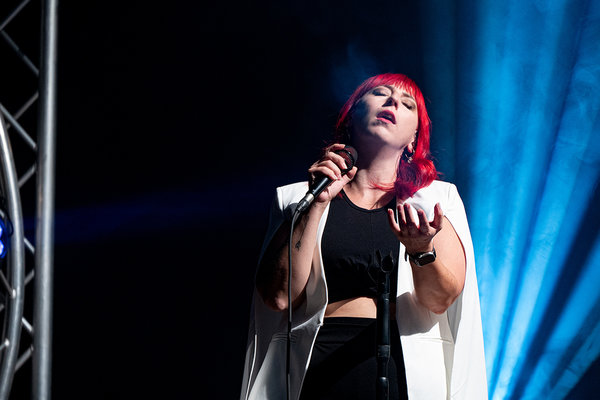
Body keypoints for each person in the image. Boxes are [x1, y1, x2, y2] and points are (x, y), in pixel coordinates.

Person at [241, 73, 487, 399]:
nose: (393, 102)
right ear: (351, 115)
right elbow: (278, 297)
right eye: (380, 94)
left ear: (414, 138)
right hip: (315, 368)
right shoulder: (297, 198)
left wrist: (421, 250)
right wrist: (316, 205)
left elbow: (439, 300)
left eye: (407, 104)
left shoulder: (436, 201)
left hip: (405, 369)